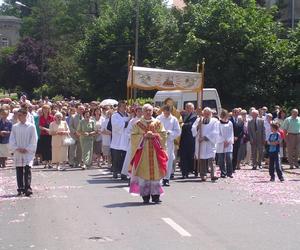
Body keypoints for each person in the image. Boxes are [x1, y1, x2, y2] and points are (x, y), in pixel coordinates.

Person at [129, 104, 168, 204]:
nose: (148, 112)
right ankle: (145, 197)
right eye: (146, 110)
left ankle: (156, 196)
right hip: (143, 154)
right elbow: (133, 137)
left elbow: (163, 134)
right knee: (143, 175)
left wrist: (154, 135)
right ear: (142, 111)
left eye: (150, 110)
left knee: (156, 175)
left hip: (155, 154)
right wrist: (144, 136)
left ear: (152, 112)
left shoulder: (158, 123)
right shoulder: (138, 124)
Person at [9, 108, 38, 196]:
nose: (19, 117)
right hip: (18, 151)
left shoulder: (31, 126)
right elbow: (12, 139)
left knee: (27, 169)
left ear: (25, 115)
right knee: (19, 170)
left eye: (20, 115)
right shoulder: (15, 127)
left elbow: (34, 139)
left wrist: (27, 148)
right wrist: (17, 148)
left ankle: (27, 188)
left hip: (27, 151)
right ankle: (20, 188)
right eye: (18, 115)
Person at [192, 107, 219, 182]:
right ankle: (203, 174)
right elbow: (193, 129)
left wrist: (205, 137)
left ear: (211, 114)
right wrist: (198, 126)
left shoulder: (215, 121)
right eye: (205, 114)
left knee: (212, 159)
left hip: (210, 142)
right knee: (202, 159)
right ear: (203, 113)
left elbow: (215, 132)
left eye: (208, 114)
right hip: (201, 143)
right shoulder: (199, 120)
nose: (207, 115)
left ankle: (213, 174)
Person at [157, 105, 181, 186]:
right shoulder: (158, 118)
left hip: (169, 142)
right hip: (159, 142)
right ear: (163, 111)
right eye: (165, 111)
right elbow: (154, 128)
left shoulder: (173, 119)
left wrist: (170, 133)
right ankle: (159, 178)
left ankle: (166, 178)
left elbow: (178, 131)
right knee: (159, 160)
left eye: (168, 112)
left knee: (169, 160)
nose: (167, 113)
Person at [121, 106, 143, 179]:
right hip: (133, 142)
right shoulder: (132, 121)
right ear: (136, 112)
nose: (140, 113)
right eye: (138, 111)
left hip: (143, 142)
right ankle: (130, 176)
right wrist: (133, 136)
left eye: (141, 111)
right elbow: (128, 132)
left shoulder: (145, 120)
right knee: (131, 158)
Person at [110, 101, 130, 179]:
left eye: (125, 106)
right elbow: (116, 126)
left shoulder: (128, 116)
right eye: (122, 106)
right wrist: (126, 123)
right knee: (116, 158)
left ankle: (123, 173)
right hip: (117, 141)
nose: (124, 107)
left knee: (124, 158)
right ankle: (115, 171)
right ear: (119, 107)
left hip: (125, 140)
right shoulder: (115, 116)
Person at [179, 103, 197, 178]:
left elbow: (191, 125)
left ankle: (190, 170)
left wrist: (183, 125)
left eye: (190, 108)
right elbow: (179, 124)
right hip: (182, 139)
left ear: (193, 109)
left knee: (190, 156)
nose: (188, 109)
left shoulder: (195, 117)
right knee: (183, 156)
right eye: (187, 107)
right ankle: (184, 172)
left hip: (191, 139)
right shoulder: (182, 116)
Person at [216, 109, 234, 178]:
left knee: (229, 158)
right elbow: (218, 133)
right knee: (221, 159)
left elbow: (231, 133)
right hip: (221, 143)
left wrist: (228, 140)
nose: (226, 117)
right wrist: (223, 140)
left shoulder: (230, 123)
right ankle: (223, 172)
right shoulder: (218, 123)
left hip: (228, 143)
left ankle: (230, 172)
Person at [230, 108, 244, 172]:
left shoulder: (241, 121)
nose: (236, 113)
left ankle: (233, 168)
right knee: (230, 154)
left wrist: (237, 137)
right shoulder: (229, 120)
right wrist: (232, 136)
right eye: (235, 112)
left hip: (237, 140)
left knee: (235, 154)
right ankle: (229, 167)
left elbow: (242, 131)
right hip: (230, 139)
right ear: (233, 113)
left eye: (237, 112)